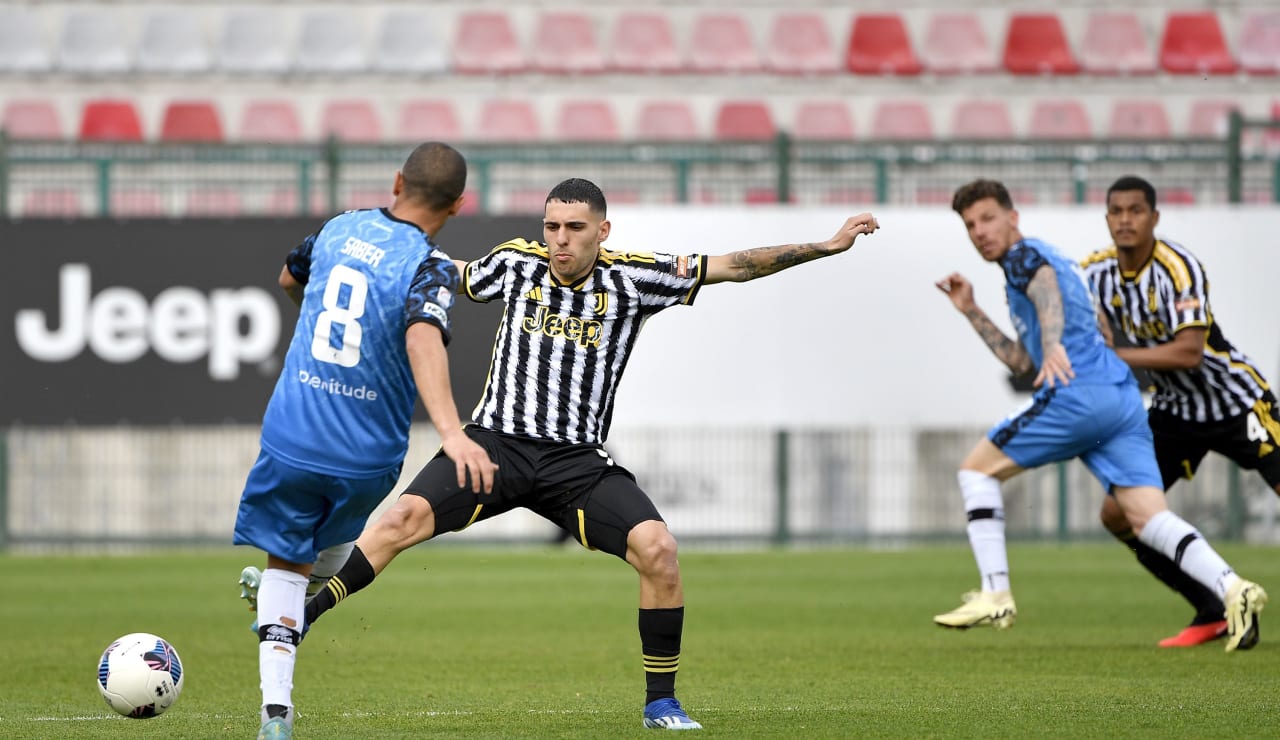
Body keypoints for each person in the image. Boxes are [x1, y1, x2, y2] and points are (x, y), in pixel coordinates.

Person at [299, 178, 880, 731]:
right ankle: (300, 617)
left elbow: (734, 266)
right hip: (494, 444)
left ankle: (662, 702)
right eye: (552, 226)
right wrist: (374, 259)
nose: (560, 239)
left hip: (575, 464)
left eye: (575, 227)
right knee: (399, 519)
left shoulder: (636, 278)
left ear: (603, 232)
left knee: (659, 550)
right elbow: (447, 275)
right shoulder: (517, 262)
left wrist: (827, 247)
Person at [232, 142, 498, 740]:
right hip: (368, 453)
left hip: (296, 430)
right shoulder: (429, 265)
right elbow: (424, 334)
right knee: (323, 556)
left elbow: (286, 277)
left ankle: (276, 711)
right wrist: (453, 433)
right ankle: (285, 604)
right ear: (457, 206)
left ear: (397, 180)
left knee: (289, 563)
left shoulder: (338, 228)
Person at [931, 178, 1266, 652]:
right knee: (1147, 518)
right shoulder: (1040, 265)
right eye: (970, 225)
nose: (980, 231)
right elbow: (1020, 363)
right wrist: (971, 311)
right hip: (1121, 401)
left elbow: (1043, 287)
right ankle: (1235, 589)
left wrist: (1051, 346)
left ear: (1013, 218)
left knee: (975, 472)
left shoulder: (1025, 257)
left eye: (987, 218)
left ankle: (995, 592)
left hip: (1078, 395)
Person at [1082, 174, 1280, 647]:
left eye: (1136, 210)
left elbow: (1189, 352)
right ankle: (1212, 607)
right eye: (1116, 211)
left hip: (1235, 399)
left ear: (1154, 217)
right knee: (1117, 514)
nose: (1125, 220)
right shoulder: (1094, 272)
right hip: (1176, 409)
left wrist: (1115, 357)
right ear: (1107, 217)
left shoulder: (1178, 267)